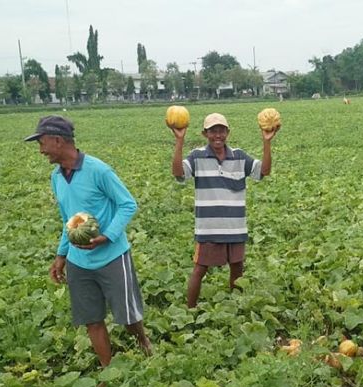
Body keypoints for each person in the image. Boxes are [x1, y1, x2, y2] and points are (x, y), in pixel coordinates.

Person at [25, 115, 152, 368]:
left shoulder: (98, 170)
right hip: (78, 261)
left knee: (127, 315)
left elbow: (128, 204)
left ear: (58, 141)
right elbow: (67, 220)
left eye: (42, 143)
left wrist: (107, 236)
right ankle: (108, 369)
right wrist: (61, 255)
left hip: (112, 255)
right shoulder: (56, 177)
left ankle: (144, 344)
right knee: (92, 319)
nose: (40, 150)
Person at [171, 113, 277, 308]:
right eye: (212, 131)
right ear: (205, 134)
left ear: (227, 132)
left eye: (221, 130)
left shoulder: (239, 156)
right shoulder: (197, 156)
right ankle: (190, 310)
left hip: (235, 228)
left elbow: (264, 171)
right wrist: (180, 140)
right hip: (208, 229)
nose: (217, 135)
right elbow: (178, 173)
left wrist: (266, 142)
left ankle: (235, 308)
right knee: (199, 269)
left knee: (237, 269)